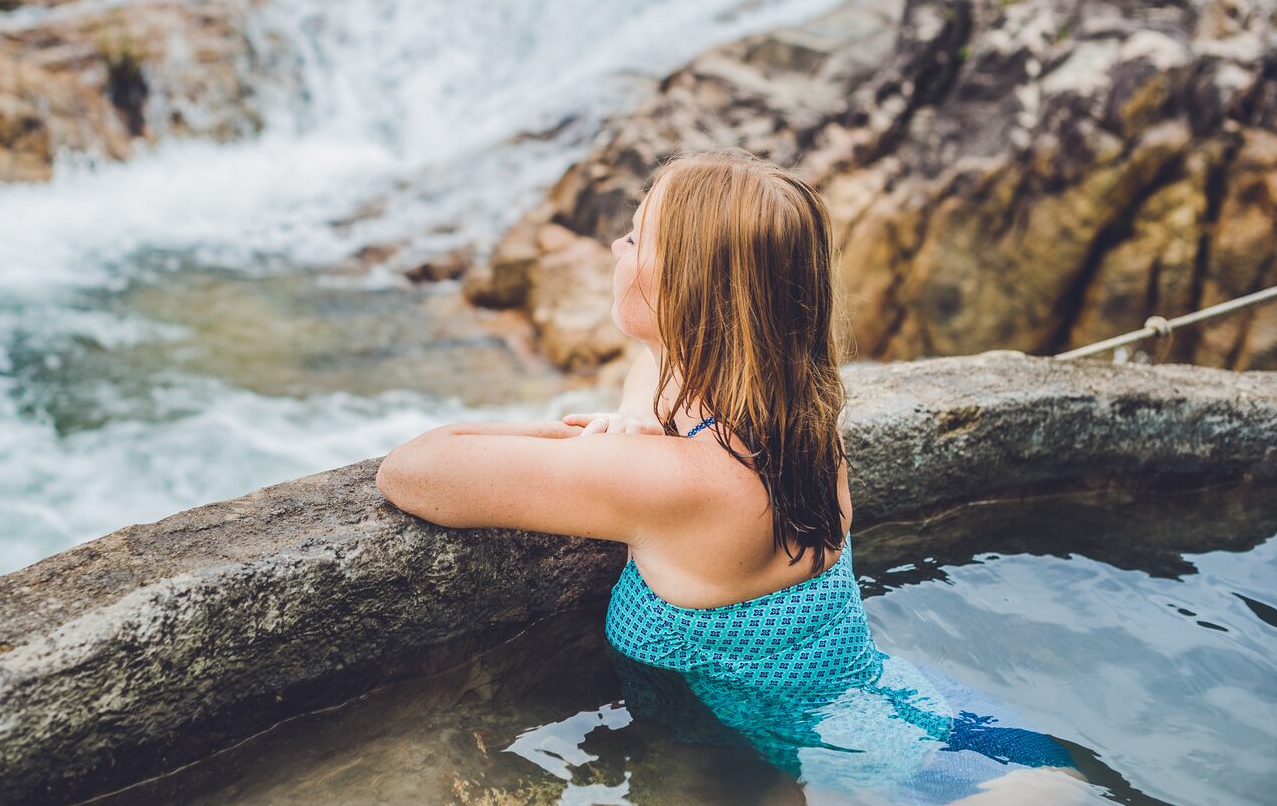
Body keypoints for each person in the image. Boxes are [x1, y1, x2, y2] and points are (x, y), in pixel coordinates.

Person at [377, 148, 1085, 804]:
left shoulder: (673, 482)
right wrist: (631, 417)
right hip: (923, 723)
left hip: (920, 777)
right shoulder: (801, 413)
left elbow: (412, 470)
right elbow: (658, 363)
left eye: (634, 237)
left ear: (684, 292)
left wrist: (576, 440)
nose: (615, 248)